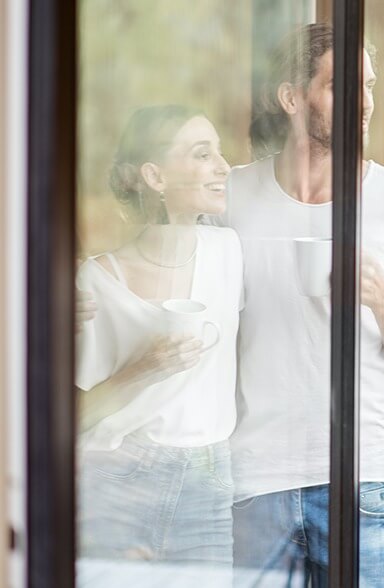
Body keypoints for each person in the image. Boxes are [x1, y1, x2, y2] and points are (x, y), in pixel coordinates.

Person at [225, 24, 384, 587]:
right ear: (292, 98)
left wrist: (379, 293)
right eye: (341, 86)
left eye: (367, 86)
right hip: (254, 476)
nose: (363, 103)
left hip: (360, 477)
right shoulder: (231, 197)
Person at [75, 104, 242, 581]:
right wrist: (143, 369)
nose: (223, 166)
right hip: (118, 474)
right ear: (154, 175)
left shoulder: (228, 252)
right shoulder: (98, 281)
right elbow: (77, 415)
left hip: (209, 476)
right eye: (201, 154)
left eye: (219, 152)